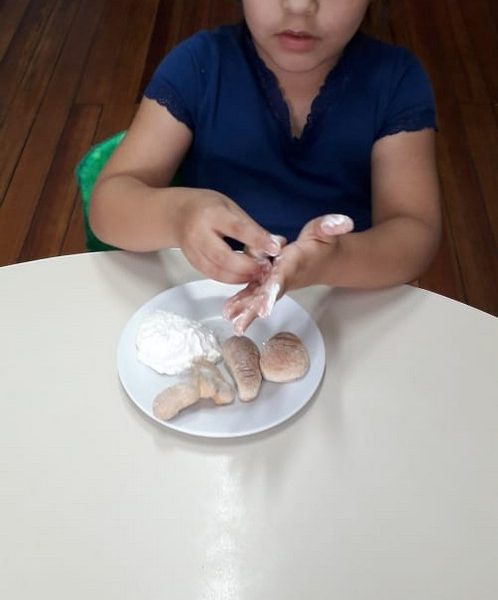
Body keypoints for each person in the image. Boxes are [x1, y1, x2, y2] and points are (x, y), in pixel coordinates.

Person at [89, 0, 441, 333]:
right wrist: (178, 216)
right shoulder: (197, 66)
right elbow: (108, 205)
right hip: (209, 309)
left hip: (342, 308)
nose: (299, 6)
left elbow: (414, 233)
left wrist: (335, 260)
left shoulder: (396, 81)